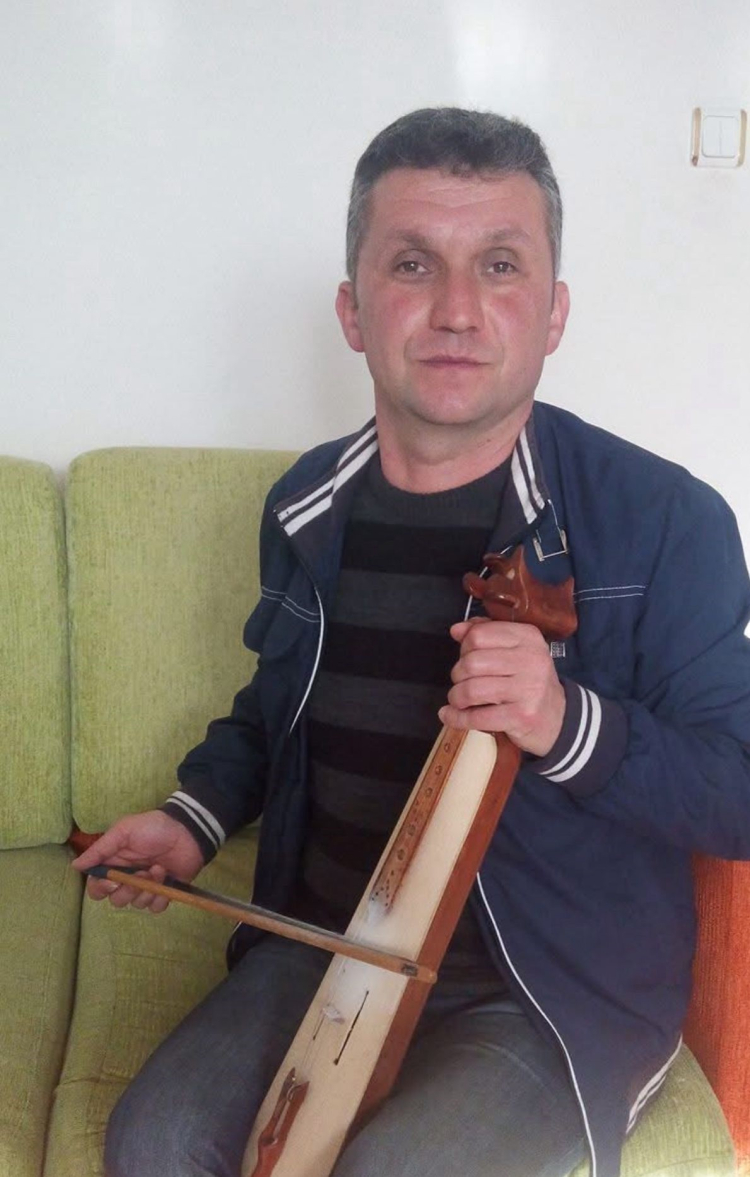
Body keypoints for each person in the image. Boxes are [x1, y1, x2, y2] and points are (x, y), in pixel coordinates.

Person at [73, 107, 750, 1177]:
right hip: (329, 947)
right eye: (412, 263)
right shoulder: (307, 504)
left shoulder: (668, 521)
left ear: (554, 312)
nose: (457, 309)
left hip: (543, 991)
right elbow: (275, 707)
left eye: (500, 265)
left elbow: (736, 788)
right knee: (152, 1145)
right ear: (353, 310)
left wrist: (568, 724)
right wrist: (190, 819)